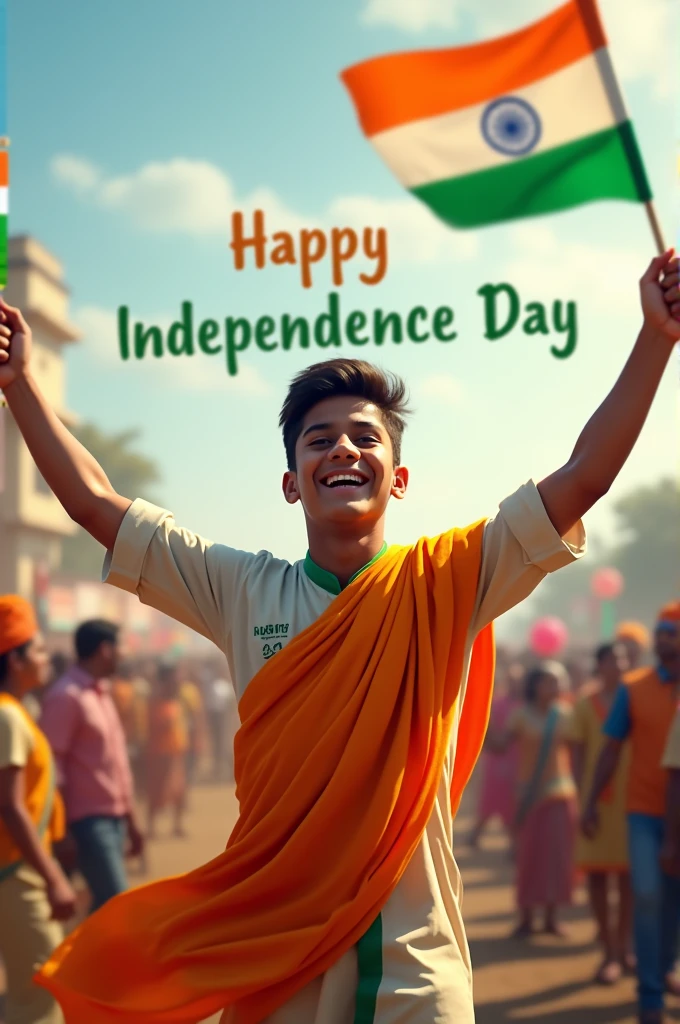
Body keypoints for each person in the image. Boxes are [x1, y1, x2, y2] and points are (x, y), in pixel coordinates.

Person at [0, 251, 677, 1023]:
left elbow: (584, 475)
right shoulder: (241, 588)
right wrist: (21, 384)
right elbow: (95, 503)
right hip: (275, 966)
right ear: (292, 480)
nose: (343, 450)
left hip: (416, 973)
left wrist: (654, 338)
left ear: (398, 476)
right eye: (318, 440)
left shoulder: (452, 579)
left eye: (364, 437)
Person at [582, 603, 680, 1024]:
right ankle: (650, 995)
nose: (663, 639)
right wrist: (589, 801)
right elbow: (610, 748)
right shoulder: (634, 687)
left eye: (671, 632)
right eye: (659, 632)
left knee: (673, 901)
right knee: (646, 895)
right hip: (642, 811)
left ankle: (666, 968)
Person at [0, 595, 76, 1024]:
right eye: (40, 649)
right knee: (40, 994)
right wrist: (53, 879)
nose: (48, 658)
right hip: (18, 876)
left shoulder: (17, 712)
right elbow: (11, 807)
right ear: (15, 659)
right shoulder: (8, 717)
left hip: (21, 871)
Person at [39, 620, 145, 914]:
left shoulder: (100, 692)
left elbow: (118, 765)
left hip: (112, 819)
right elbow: (52, 768)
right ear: (105, 649)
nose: (124, 654)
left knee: (101, 905)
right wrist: (62, 832)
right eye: (120, 646)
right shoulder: (66, 696)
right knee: (115, 902)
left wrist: (132, 820)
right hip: (86, 823)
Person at [486, 661, 577, 938]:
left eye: (559, 681)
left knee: (557, 858)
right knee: (529, 857)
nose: (557, 686)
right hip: (528, 796)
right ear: (535, 685)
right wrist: (479, 719)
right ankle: (526, 917)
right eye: (550, 681)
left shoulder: (567, 715)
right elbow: (500, 746)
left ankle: (551, 917)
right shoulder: (520, 716)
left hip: (561, 794)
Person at [569, 643, 632, 984]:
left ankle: (623, 948)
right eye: (612, 659)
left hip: (631, 801)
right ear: (600, 665)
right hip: (596, 802)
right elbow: (577, 755)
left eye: (623, 659)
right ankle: (608, 951)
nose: (619, 664)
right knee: (596, 877)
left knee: (628, 880)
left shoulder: (635, 697)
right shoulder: (583, 704)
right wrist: (584, 800)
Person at [470, 663, 522, 850]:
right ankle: (475, 834)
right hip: (496, 759)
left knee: (511, 803)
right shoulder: (496, 703)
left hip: (516, 760)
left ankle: (514, 843)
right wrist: (495, 743)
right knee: (490, 799)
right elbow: (487, 729)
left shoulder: (524, 706)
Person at [146, 661, 189, 839]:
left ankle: (177, 826)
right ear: (165, 679)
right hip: (161, 755)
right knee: (158, 791)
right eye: (174, 677)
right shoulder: (156, 701)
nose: (177, 681)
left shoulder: (175, 700)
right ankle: (151, 827)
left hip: (175, 753)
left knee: (179, 791)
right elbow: (153, 727)